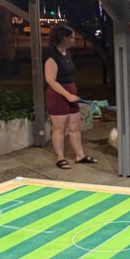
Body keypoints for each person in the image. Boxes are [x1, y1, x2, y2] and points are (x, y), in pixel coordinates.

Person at [44, 24, 98, 169]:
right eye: (71, 37)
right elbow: (51, 80)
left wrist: (71, 94)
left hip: (71, 94)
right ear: (63, 38)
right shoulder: (52, 57)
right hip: (58, 95)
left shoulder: (67, 54)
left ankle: (80, 155)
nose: (73, 40)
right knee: (59, 127)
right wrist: (67, 95)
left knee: (75, 126)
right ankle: (60, 158)